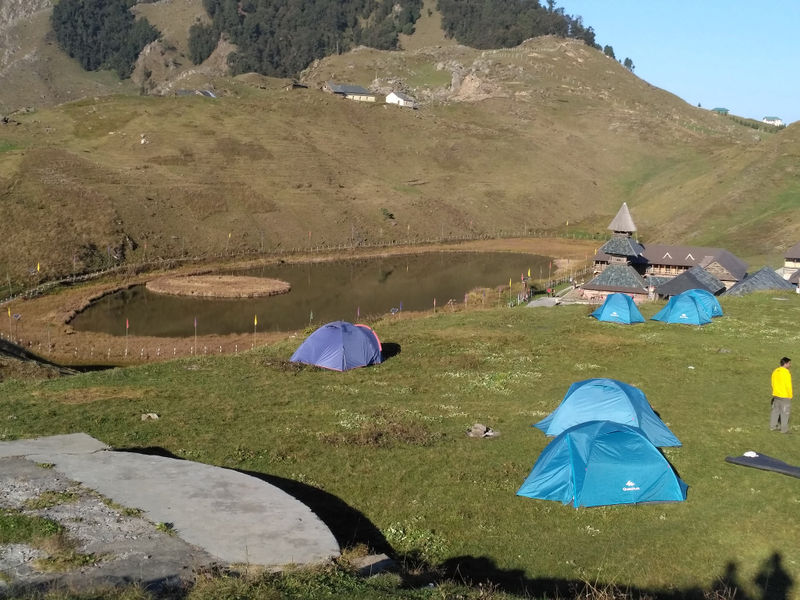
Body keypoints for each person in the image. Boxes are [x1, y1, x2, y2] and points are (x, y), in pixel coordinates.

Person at [770, 357, 792, 433]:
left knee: (775, 411)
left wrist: (775, 391)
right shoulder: (786, 372)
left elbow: (772, 383)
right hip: (784, 395)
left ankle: (773, 427)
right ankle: (784, 430)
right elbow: (788, 385)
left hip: (776, 395)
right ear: (785, 364)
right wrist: (790, 395)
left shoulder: (775, 371)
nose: (790, 365)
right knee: (785, 413)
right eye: (789, 363)